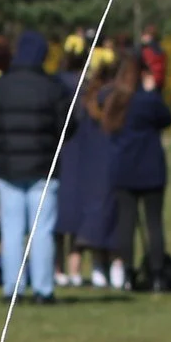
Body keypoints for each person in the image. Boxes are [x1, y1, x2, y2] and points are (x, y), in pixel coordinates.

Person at [0, 28, 67, 304]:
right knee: (41, 230)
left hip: (8, 168)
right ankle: (43, 288)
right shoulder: (53, 88)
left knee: (12, 231)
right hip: (43, 167)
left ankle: (11, 288)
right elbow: (67, 126)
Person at [56, 48, 123, 288]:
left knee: (73, 216)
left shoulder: (82, 95)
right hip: (100, 161)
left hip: (77, 160)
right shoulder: (109, 96)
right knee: (103, 213)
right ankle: (106, 267)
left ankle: (74, 269)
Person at [112, 58, 171, 287]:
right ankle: (156, 273)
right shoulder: (147, 101)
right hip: (150, 168)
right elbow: (167, 118)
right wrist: (153, 92)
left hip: (124, 167)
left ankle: (127, 273)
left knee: (126, 224)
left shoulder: (118, 99)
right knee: (154, 223)